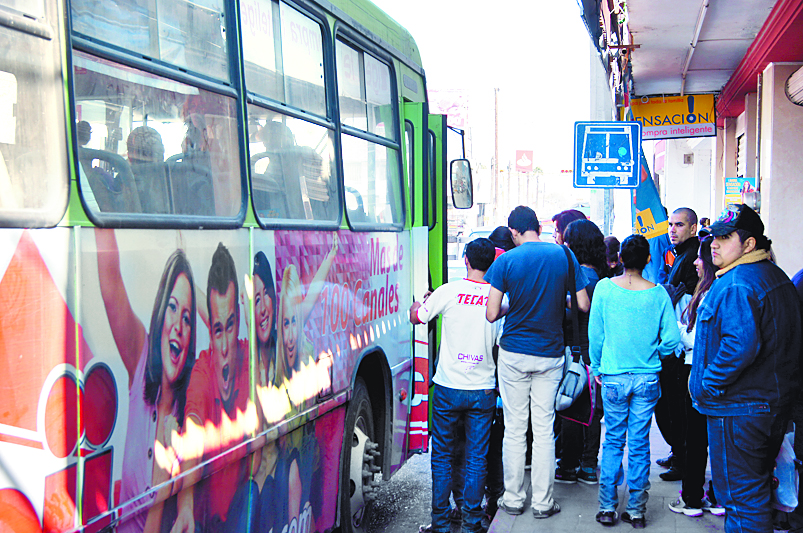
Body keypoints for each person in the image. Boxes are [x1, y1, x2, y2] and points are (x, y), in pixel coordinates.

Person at [689, 204, 801, 533]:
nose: (714, 244)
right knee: (754, 495)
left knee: (741, 502)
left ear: (749, 244)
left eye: (725, 238)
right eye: (713, 237)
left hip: (740, 410)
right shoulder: (773, 275)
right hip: (767, 406)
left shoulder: (738, 283)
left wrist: (707, 384)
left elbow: (739, 346)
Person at [485, 206, 590, 520]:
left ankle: (514, 499)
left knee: (515, 429)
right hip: (550, 353)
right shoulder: (564, 256)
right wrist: (557, 299)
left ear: (514, 232)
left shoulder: (505, 260)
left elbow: (491, 313)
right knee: (543, 429)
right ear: (538, 228)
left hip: (514, 352)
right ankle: (544, 503)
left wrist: (513, 305)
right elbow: (582, 303)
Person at [95, 228, 197, 533]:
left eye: (188, 318)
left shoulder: (191, 407)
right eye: (172, 308)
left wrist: (174, 497)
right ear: (159, 312)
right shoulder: (140, 356)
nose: (178, 325)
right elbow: (111, 282)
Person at [410, 238, 501, 533]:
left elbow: (417, 317)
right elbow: (500, 343)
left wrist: (419, 302)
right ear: (492, 263)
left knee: (443, 457)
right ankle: (472, 522)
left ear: (465, 260)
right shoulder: (499, 298)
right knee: (477, 457)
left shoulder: (448, 292)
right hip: (483, 389)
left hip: (448, 387)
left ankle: (440, 523)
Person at [589, 234, 680, 528]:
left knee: (613, 441)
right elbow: (672, 340)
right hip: (647, 378)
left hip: (613, 377)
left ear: (620, 259)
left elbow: (596, 335)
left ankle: (606, 508)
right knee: (640, 444)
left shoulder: (604, 289)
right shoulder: (658, 294)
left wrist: (598, 366)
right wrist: (657, 353)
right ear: (648, 260)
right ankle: (637, 510)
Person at [184, 243, 254, 533]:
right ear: (209, 331)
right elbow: (192, 424)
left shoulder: (250, 359)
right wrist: (185, 505)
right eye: (217, 329)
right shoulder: (202, 370)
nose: (225, 346)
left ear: (239, 320)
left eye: (231, 325)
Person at [667, 233, 725, 517]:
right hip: (711, 373)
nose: (697, 263)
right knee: (714, 439)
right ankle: (717, 496)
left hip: (699, 372)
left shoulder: (711, 293)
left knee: (697, 438)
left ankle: (692, 498)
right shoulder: (717, 289)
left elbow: (696, 339)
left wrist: (677, 329)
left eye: (701, 258)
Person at [554, 219, 608, 485]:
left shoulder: (578, 279)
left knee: (571, 409)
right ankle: (589, 465)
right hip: (596, 353)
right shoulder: (602, 278)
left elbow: (569, 314)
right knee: (593, 412)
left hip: (576, 351)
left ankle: (568, 465)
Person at [655, 207, 700, 482]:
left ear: (693, 228)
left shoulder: (693, 256)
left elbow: (688, 304)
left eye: (679, 225)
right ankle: (677, 453)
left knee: (676, 408)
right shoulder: (681, 255)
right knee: (669, 406)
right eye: (670, 224)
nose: (672, 229)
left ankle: (682, 460)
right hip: (676, 345)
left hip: (683, 348)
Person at [275, 233, 339, 410]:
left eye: (294, 321)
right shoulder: (275, 364)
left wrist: (332, 254)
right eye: (285, 323)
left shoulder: (304, 345)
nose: (290, 337)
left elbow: (314, 289)